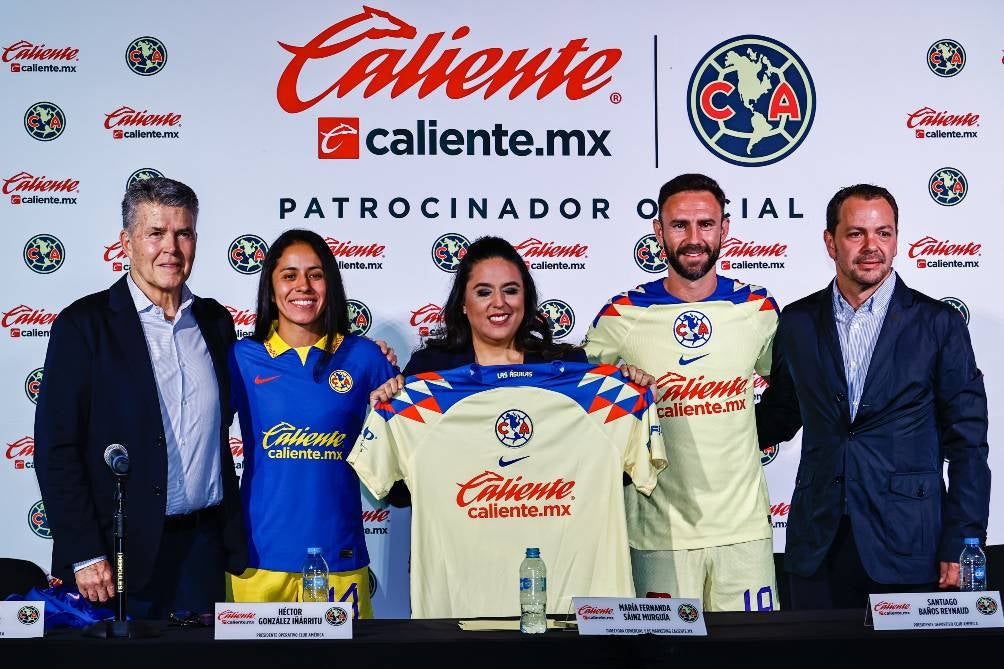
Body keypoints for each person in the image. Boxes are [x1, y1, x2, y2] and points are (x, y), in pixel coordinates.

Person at [756, 184, 990, 609]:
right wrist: (702, 418)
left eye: (884, 233)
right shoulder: (798, 321)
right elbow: (781, 414)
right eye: (856, 233)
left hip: (909, 546)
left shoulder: (939, 324)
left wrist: (962, 538)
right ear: (830, 242)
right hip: (817, 544)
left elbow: (968, 443)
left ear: (897, 240)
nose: (872, 246)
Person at [33, 177, 247, 618]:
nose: (171, 247)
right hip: (116, 557)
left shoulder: (215, 321)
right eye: (155, 233)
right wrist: (85, 552)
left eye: (183, 233)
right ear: (126, 242)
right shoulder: (83, 325)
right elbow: (57, 449)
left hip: (203, 550)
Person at [583, 173, 780, 612]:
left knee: (756, 647)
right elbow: (579, 408)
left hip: (744, 533)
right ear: (658, 231)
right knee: (663, 649)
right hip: (657, 534)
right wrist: (618, 386)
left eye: (705, 224)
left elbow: (792, 395)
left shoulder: (758, 309)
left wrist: (756, 434)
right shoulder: (622, 315)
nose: (693, 239)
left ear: (725, 228)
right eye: (679, 225)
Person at [227, 229, 397, 618]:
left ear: (330, 285)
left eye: (315, 274)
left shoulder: (365, 356)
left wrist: (393, 389)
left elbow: (405, 444)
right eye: (289, 275)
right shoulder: (241, 357)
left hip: (339, 555)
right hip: (258, 559)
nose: (303, 286)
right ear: (271, 289)